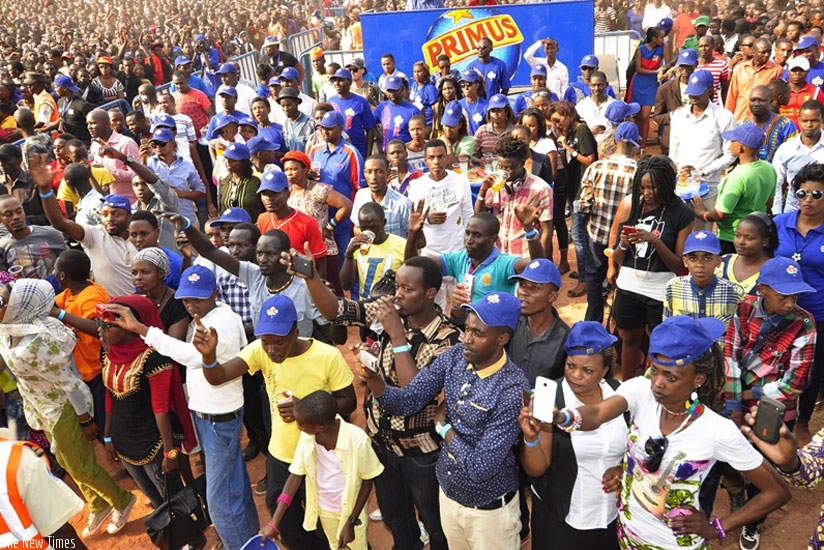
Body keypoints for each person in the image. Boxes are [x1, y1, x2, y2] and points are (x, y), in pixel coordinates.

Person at [544, 315, 791, 550]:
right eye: (655, 371)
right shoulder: (641, 392)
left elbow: (777, 492)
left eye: (671, 377)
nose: (658, 383)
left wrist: (716, 528)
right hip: (626, 536)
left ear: (698, 379)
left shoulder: (717, 430)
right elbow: (597, 413)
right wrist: (563, 417)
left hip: (672, 544)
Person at [103, 265, 259, 549]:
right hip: (214, 417)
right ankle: (249, 539)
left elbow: (192, 356)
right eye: (186, 299)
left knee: (220, 501)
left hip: (218, 420)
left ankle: (239, 545)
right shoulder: (212, 316)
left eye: (198, 299)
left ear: (215, 293)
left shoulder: (218, 323)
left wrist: (141, 329)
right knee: (233, 485)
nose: (191, 305)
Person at [363, 292, 530, 550]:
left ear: (502, 339)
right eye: (468, 329)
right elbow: (409, 399)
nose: (467, 339)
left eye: (478, 333)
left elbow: (480, 467)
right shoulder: (455, 357)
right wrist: (375, 381)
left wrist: (444, 428)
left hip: (488, 513)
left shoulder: (512, 390)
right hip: (448, 495)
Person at [193, 294, 357, 550]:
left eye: (279, 342)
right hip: (281, 454)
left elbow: (349, 401)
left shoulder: (327, 356)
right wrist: (209, 357)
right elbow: (219, 376)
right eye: (266, 342)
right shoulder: (261, 351)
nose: (271, 350)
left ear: (295, 332)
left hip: (322, 456)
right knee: (286, 522)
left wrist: (306, 407)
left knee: (326, 523)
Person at [0, 279, 136, 538]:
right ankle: (98, 504)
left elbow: (69, 385)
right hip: (40, 408)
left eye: (1, 301)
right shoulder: (8, 327)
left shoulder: (42, 341)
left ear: (19, 304)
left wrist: (85, 420)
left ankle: (121, 499)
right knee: (65, 461)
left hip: (63, 408)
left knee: (81, 465)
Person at [519, 321, 624, 548]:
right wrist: (531, 438)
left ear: (605, 370)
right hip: (561, 521)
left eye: (588, 370)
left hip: (611, 517)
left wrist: (624, 469)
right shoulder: (551, 401)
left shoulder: (620, 395)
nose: (576, 375)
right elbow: (536, 469)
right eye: (570, 366)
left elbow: (638, 447)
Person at [98, 294, 197, 511]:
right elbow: (109, 396)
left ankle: (192, 529)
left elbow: (160, 408)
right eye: (100, 325)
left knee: (173, 498)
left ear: (129, 327)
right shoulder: (109, 353)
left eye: (107, 326)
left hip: (154, 443)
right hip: (123, 442)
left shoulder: (154, 357)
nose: (100, 331)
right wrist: (108, 437)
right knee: (155, 499)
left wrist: (170, 454)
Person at [260, 390, 384, 550]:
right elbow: (295, 476)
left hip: (351, 512)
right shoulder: (308, 437)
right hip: (324, 511)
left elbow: (367, 481)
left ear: (320, 427)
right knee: (335, 546)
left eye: (301, 425)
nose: (299, 427)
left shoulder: (358, 441)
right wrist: (274, 522)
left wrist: (351, 521)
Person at [608, 156, 694, 380]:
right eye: (642, 187)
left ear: (665, 184)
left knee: (660, 342)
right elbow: (618, 257)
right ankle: (627, 385)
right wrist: (623, 244)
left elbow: (679, 264)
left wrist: (655, 241)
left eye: (652, 187)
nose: (646, 193)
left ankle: (655, 385)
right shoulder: (633, 207)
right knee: (629, 338)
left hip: (660, 289)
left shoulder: (681, 212)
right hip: (628, 285)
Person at [774, 163, 824, 445]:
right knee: (777, 362)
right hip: (779, 310)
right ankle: (774, 415)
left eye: (817, 194)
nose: (808, 199)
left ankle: (803, 420)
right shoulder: (779, 223)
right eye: (803, 193)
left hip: (818, 313)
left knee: (812, 370)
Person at [578, 122, 639, 322]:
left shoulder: (596, 167)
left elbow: (584, 205)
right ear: (635, 145)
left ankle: (592, 320)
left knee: (594, 277)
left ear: (615, 141)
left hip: (598, 233)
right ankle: (616, 322)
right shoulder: (639, 173)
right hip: (625, 240)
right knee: (622, 280)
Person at [691, 124, 776, 253]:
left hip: (732, 238)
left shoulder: (736, 177)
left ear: (741, 148)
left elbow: (719, 215)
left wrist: (701, 213)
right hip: (756, 235)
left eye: (732, 141)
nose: (729, 144)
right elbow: (769, 205)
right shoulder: (769, 168)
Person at [669, 69, 735, 230]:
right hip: (680, 188)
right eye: (691, 91)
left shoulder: (724, 117)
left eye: (698, 92)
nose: (693, 96)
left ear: (711, 90)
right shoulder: (678, 117)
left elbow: (730, 154)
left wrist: (703, 171)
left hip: (707, 190)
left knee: (702, 236)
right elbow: (673, 151)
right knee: (679, 236)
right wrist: (679, 171)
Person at [474, 134, 552, 258]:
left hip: (525, 257)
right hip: (499, 258)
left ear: (522, 163)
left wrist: (540, 263)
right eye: (501, 166)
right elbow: (479, 216)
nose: (504, 172)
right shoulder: (496, 184)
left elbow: (546, 231)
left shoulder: (541, 189)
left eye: (509, 167)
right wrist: (483, 190)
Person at [407, 139, 474, 257]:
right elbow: (411, 219)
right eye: (431, 158)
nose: (436, 162)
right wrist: (427, 219)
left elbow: (468, 215)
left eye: (440, 157)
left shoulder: (461, 181)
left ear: (447, 158)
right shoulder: (416, 185)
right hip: (430, 251)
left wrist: (468, 244)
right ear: (425, 161)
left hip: (457, 250)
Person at [507, 258, 571, 383]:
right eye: (522, 285)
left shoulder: (565, 339)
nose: (523, 292)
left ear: (552, 296)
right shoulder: (510, 322)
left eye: (534, 287)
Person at [256, 171, 328, 279]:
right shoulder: (262, 219)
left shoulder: (307, 223)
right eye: (264, 194)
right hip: (272, 281)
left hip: (299, 281)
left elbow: (320, 262)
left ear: (287, 193)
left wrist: (318, 286)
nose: (269, 198)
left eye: (274, 193)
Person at [662, 230, 744, 324]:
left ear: (718, 261)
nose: (700, 264)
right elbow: (667, 326)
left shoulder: (735, 292)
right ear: (685, 261)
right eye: (693, 259)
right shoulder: (673, 287)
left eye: (707, 258)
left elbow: (739, 329)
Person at [342, 202, 406, 299]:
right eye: (363, 228)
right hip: (366, 304)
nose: (368, 232)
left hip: (392, 303)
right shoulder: (356, 245)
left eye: (372, 227)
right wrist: (349, 254)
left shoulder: (401, 244)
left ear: (384, 222)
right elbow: (346, 285)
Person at [771, 101, 824, 215]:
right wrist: (777, 212)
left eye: (814, 120)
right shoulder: (787, 149)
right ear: (799, 121)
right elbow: (776, 182)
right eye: (805, 121)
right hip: (792, 211)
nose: (809, 125)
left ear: (822, 120)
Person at [0, 195, 66, 281]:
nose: (16, 217)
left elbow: (69, 264)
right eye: (8, 214)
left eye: (19, 211)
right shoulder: (3, 246)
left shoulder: (50, 234)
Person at [716, 212, 777, 295]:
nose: (740, 242)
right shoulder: (723, 262)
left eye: (749, 238)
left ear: (765, 241)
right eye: (737, 235)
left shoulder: (773, 271)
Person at [352, 155, 411, 239]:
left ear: (388, 172)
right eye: (369, 172)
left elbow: (417, 238)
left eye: (379, 172)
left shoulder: (402, 203)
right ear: (364, 173)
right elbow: (356, 228)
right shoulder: (361, 196)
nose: (373, 177)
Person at [87, 109, 140, 201]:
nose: (89, 127)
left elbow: (137, 174)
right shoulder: (95, 145)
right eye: (88, 124)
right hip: (107, 202)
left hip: (129, 201)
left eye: (93, 123)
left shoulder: (127, 143)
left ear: (106, 124)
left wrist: (108, 171)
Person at [627, 27, 667, 148]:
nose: (663, 39)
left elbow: (669, 62)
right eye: (661, 37)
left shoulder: (663, 48)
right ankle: (636, 142)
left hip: (651, 84)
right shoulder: (641, 49)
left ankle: (642, 146)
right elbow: (639, 69)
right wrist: (655, 71)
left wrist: (663, 68)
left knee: (645, 116)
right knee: (638, 116)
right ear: (654, 39)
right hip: (638, 83)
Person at [653, 49, 697, 154]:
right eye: (682, 65)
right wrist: (673, 115)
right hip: (672, 141)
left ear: (696, 64)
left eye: (688, 66)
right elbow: (657, 117)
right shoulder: (665, 89)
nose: (685, 69)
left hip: (695, 138)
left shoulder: (702, 88)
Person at [328, 68, 377, 159]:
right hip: (337, 153)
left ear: (349, 82)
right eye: (334, 81)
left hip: (358, 152)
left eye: (340, 80)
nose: (337, 83)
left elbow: (370, 129)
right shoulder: (330, 102)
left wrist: (368, 155)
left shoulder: (361, 102)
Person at [743, 85, 797, 164]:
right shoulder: (743, 125)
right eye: (753, 100)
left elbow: (793, 153)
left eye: (761, 100)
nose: (756, 104)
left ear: (771, 102)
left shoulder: (786, 125)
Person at [781, 57, 824, 130]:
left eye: (801, 71)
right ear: (788, 72)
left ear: (807, 72)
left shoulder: (816, 92)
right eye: (794, 70)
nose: (797, 74)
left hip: (807, 133)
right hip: (782, 132)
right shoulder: (780, 90)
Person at [473, 94, 515, 159]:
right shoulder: (482, 130)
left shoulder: (514, 131)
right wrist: (480, 161)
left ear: (507, 112)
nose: (496, 114)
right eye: (493, 111)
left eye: (499, 110)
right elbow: (472, 154)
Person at [457, 71, 488, 136]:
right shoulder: (458, 105)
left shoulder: (486, 106)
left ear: (477, 85)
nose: (465, 87)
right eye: (462, 84)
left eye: (468, 84)